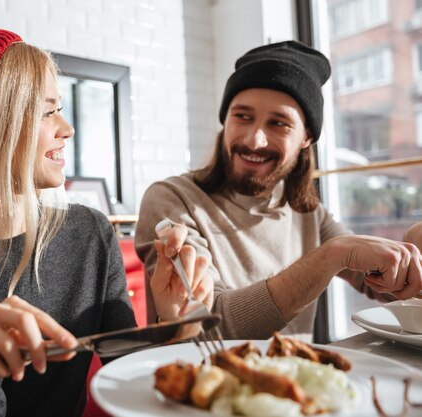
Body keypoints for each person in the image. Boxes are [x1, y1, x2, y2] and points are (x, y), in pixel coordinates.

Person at [0, 28, 213, 417]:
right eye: (48, 111)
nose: (67, 129)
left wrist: (172, 320)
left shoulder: (91, 234)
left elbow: (131, 382)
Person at [135, 40, 422, 343]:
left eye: (278, 123)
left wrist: (412, 255)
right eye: (242, 116)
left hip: (295, 386)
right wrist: (329, 258)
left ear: (306, 138)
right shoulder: (172, 200)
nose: (254, 140)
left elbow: (383, 283)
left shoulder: (310, 214)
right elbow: (206, 327)